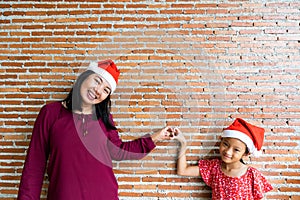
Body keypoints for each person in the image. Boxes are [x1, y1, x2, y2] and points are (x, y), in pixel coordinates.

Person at [18, 59, 173, 200]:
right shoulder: (51, 113)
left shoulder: (104, 119)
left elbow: (118, 151)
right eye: (97, 81)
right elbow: (34, 166)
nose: (98, 90)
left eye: (106, 90)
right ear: (84, 77)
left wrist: (155, 138)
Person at [172, 118, 273, 199]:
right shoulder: (213, 167)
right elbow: (183, 170)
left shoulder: (252, 175)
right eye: (225, 144)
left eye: (236, 150)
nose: (228, 152)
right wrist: (183, 143)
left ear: (246, 153)